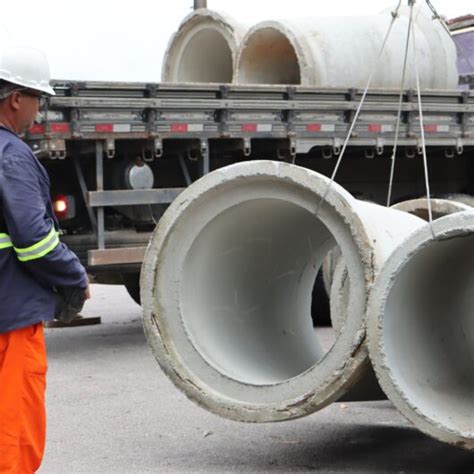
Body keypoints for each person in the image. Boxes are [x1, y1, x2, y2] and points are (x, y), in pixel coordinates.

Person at [0, 45, 90, 473]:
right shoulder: (11, 155)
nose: (39, 109)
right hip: (10, 317)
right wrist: (75, 280)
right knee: (13, 437)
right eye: (38, 97)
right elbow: (34, 241)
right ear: (16, 98)